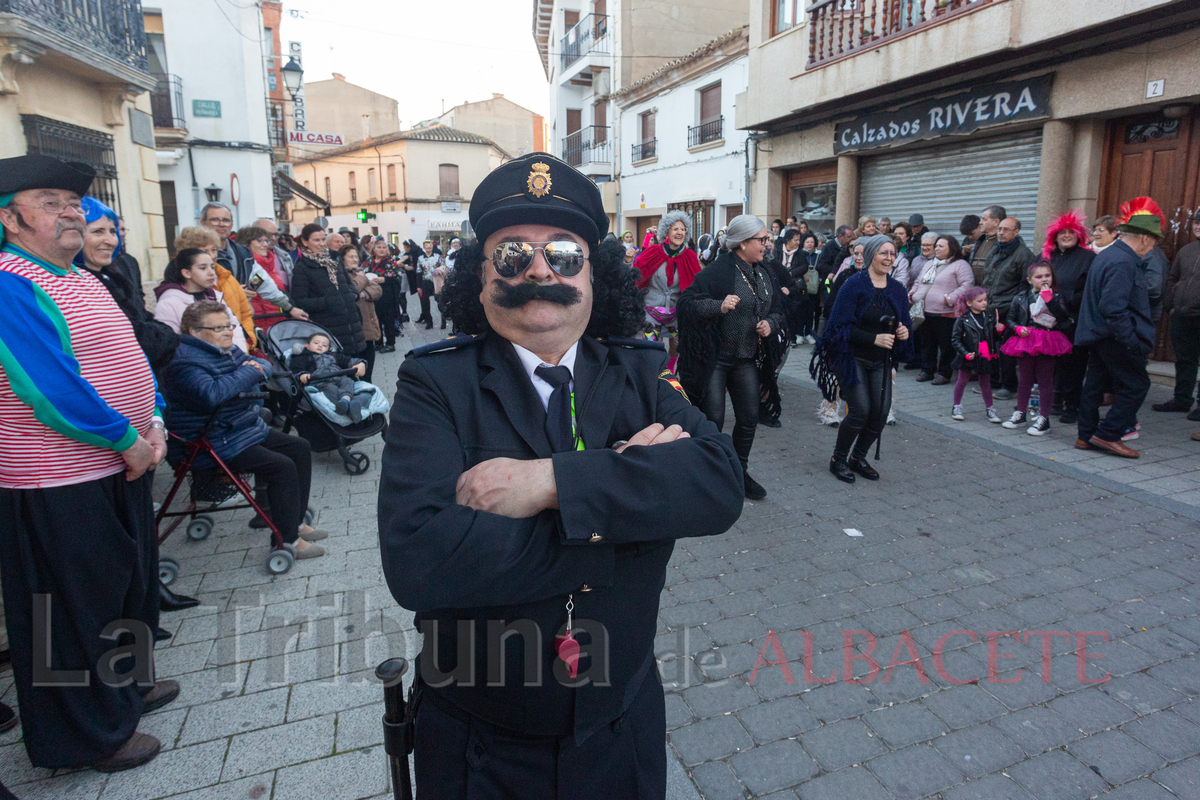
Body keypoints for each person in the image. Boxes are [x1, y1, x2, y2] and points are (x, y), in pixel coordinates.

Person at [378, 152, 742, 798]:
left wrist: (549, 484)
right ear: (481, 276)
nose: (540, 271)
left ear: (596, 277)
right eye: (513, 254)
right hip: (478, 749)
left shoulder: (639, 369)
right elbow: (419, 559)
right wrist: (629, 511)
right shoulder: (434, 383)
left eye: (565, 255)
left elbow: (718, 484)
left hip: (621, 734)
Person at [0, 154, 175, 772]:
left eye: (75, 203)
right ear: (10, 218)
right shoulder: (9, 281)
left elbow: (128, 357)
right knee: (69, 613)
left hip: (119, 463)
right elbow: (47, 387)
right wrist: (127, 440)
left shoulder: (80, 276)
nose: (71, 211)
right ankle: (86, 737)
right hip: (58, 480)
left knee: (125, 587)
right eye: (50, 201)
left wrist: (151, 416)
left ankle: (125, 690)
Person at [165, 302, 327, 555]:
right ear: (195, 332)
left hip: (237, 430)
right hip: (210, 442)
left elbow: (262, 364)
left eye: (228, 325)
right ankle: (286, 541)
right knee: (281, 466)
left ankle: (294, 522)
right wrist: (247, 373)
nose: (228, 332)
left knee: (299, 447)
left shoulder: (223, 349)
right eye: (218, 327)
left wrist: (248, 371)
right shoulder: (185, 362)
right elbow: (213, 394)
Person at [679, 215, 786, 500]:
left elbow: (778, 309)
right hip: (716, 359)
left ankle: (738, 473)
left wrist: (770, 325)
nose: (766, 244)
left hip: (746, 358)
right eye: (761, 240)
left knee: (749, 417)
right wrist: (719, 306)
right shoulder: (716, 272)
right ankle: (709, 473)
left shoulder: (764, 273)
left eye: (766, 239)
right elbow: (687, 305)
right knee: (713, 418)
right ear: (742, 243)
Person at [810, 234, 912, 483]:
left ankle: (858, 457)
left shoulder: (897, 289)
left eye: (892, 253)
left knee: (880, 413)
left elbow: (905, 323)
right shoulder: (853, 285)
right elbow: (836, 328)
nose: (889, 258)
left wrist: (903, 331)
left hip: (881, 361)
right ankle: (839, 459)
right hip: (852, 358)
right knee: (860, 411)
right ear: (870, 255)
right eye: (883, 253)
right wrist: (872, 338)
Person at [1074, 198, 1161, 458]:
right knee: (1136, 384)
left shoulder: (1110, 254)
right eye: (1154, 240)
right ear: (1144, 238)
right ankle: (1108, 434)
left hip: (1099, 334)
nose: (1154, 245)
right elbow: (1113, 307)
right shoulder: (1123, 261)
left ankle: (1085, 435)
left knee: (1095, 384)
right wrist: (1130, 341)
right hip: (1114, 336)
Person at [76, 197, 180, 374]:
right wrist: (166, 335)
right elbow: (131, 340)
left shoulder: (112, 275)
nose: (111, 240)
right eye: (98, 231)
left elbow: (140, 315)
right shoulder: (79, 284)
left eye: (112, 231)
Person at [1001, 259, 1074, 435]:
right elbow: (1010, 319)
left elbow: (1064, 318)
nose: (1044, 279)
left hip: (1048, 341)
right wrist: (1017, 328)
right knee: (1025, 378)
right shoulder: (1020, 297)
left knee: (1045, 380)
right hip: (1025, 340)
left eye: (1047, 275)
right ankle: (1020, 413)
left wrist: (1050, 301)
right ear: (1029, 279)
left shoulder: (1057, 296)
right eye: (1039, 276)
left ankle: (1044, 418)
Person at [1042, 211, 1095, 424]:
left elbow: (1091, 289)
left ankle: (1072, 407)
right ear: (1054, 236)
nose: (1066, 235)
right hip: (1047, 319)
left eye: (1071, 232)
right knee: (1051, 364)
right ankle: (1053, 401)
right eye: (1062, 232)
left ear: (1079, 235)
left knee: (1073, 365)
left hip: (1074, 319)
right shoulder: (1046, 256)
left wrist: (1069, 300)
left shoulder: (1089, 258)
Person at [632, 211, 700, 369]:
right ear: (666, 231)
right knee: (650, 350)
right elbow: (635, 274)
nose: (679, 232)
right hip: (651, 311)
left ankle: (670, 376)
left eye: (682, 229)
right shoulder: (653, 252)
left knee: (683, 348)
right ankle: (653, 378)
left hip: (676, 312)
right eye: (675, 229)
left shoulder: (690, 256)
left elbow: (697, 285)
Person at [290, 224, 368, 358]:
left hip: (352, 324)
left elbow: (348, 282)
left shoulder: (335, 259)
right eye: (316, 240)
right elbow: (300, 301)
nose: (321, 244)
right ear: (304, 242)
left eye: (322, 239)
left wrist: (352, 294)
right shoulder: (302, 268)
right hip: (328, 328)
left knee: (362, 367)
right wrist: (329, 301)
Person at [979, 217, 1034, 399]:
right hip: (990, 306)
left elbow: (1025, 284)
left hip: (1008, 309)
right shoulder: (996, 249)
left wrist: (1015, 306)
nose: (1001, 232)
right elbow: (988, 277)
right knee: (989, 346)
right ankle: (994, 380)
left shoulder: (1023, 254)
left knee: (1006, 349)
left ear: (1016, 232)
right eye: (1000, 229)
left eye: (1006, 229)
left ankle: (1009, 386)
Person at [154, 248, 250, 351]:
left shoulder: (215, 296)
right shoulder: (169, 302)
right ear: (186, 273)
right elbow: (170, 342)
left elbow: (234, 327)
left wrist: (241, 355)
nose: (211, 273)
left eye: (212, 267)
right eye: (203, 268)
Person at [911, 235, 974, 385]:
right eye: (936, 246)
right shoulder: (929, 264)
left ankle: (944, 373)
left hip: (945, 312)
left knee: (946, 345)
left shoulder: (960, 265)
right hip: (924, 310)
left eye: (941, 246)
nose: (937, 248)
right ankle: (927, 370)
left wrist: (950, 298)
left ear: (951, 248)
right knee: (927, 343)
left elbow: (967, 284)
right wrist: (912, 293)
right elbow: (918, 281)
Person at [1155, 209, 1200, 416]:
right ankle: (1182, 399)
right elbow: (1173, 278)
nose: (1198, 226)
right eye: (1196, 223)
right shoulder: (1186, 250)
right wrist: (1170, 305)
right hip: (1182, 314)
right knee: (1184, 360)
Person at [949, 287, 1002, 423]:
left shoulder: (989, 317)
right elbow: (955, 339)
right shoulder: (963, 320)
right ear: (969, 303)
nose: (984, 303)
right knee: (962, 380)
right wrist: (965, 353)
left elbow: (994, 337)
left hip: (985, 354)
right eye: (980, 301)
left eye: (985, 300)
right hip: (969, 353)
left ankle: (990, 409)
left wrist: (998, 331)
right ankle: (956, 406)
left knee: (985, 382)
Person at [292, 331, 369, 421]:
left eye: (324, 345)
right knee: (330, 388)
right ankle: (348, 409)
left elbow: (348, 361)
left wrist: (361, 363)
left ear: (328, 348)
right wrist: (302, 375)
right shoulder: (302, 357)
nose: (320, 346)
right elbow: (296, 370)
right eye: (316, 343)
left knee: (348, 381)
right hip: (320, 382)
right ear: (306, 345)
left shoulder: (334, 356)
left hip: (339, 377)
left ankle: (345, 401)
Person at [339, 244, 380, 381]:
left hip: (369, 325)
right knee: (357, 368)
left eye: (356, 256)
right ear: (342, 259)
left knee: (369, 366)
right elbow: (353, 289)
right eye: (350, 256)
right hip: (355, 328)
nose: (354, 259)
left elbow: (377, 290)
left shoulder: (359, 272)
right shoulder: (343, 274)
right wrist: (362, 278)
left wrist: (363, 294)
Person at [364, 238, 406, 353]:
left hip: (387, 295)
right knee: (375, 319)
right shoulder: (368, 261)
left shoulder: (390, 262)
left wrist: (384, 279)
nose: (381, 250)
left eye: (384, 248)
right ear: (374, 249)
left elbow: (397, 277)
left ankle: (390, 343)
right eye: (379, 247)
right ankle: (378, 342)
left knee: (388, 320)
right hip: (373, 295)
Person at [199, 202, 254, 284]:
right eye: (215, 220)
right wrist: (236, 292)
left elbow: (260, 278)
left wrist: (251, 287)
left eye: (226, 220)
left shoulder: (243, 251)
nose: (221, 224)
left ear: (231, 225)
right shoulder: (196, 253)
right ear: (203, 223)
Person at [969, 205, 1005, 284]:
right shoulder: (980, 241)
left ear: (995, 222)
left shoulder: (1004, 243)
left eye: (984, 219)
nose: (980, 222)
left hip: (992, 293)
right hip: (976, 291)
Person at [415, 239, 441, 328]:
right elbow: (418, 272)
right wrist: (418, 286)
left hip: (436, 281)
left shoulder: (437, 256)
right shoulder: (420, 258)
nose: (428, 246)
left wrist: (439, 271)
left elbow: (443, 267)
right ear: (424, 247)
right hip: (425, 281)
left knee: (439, 300)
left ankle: (444, 319)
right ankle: (429, 321)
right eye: (426, 245)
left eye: (430, 244)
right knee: (425, 302)